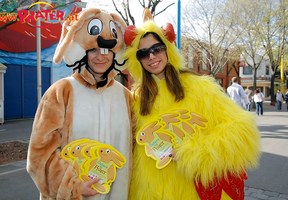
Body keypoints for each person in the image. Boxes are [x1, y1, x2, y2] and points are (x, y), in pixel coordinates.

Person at [122, 9, 260, 200]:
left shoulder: (199, 87)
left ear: (168, 49)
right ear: (138, 61)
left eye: (157, 49)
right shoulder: (137, 98)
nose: (152, 57)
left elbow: (243, 130)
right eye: (143, 53)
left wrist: (193, 152)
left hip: (189, 190)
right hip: (148, 192)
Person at [26, 8, 133, 200]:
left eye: (107, 50)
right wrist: (72, 186)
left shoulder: (125, 96)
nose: (101, 56)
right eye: (93, 49)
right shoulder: (61, 91)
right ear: (82, 50)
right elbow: (39, 154)